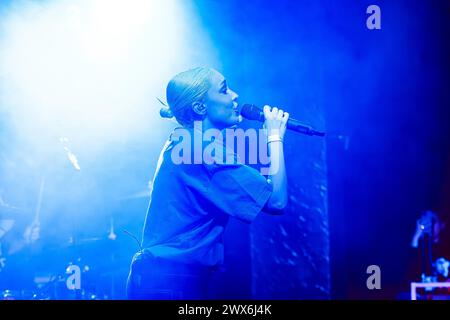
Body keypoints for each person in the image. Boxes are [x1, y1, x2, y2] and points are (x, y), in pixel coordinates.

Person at [126, 67, 289, 299]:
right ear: (200, 107)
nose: (234, 95)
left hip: (164, 278)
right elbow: (277, 201)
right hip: (171, 282)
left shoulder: (187, 142)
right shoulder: (203, 151)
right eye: (224, 90)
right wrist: (275, 137)